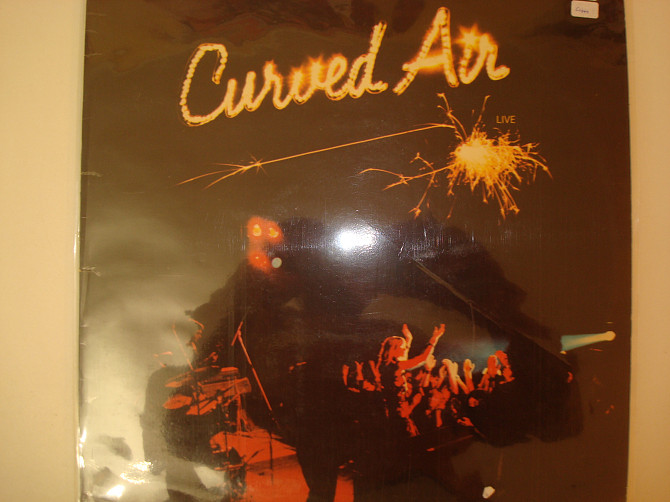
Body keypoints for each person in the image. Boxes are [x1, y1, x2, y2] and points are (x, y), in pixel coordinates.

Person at [376, 323, 445, 436]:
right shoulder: (396, 366)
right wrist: (434, 339)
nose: (405, 350)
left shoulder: (387, 365)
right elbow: (423, 358)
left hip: (396, 410)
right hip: (400, 414)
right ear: (394, 350)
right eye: (403, 348)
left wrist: (409, 339)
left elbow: (403, 357)